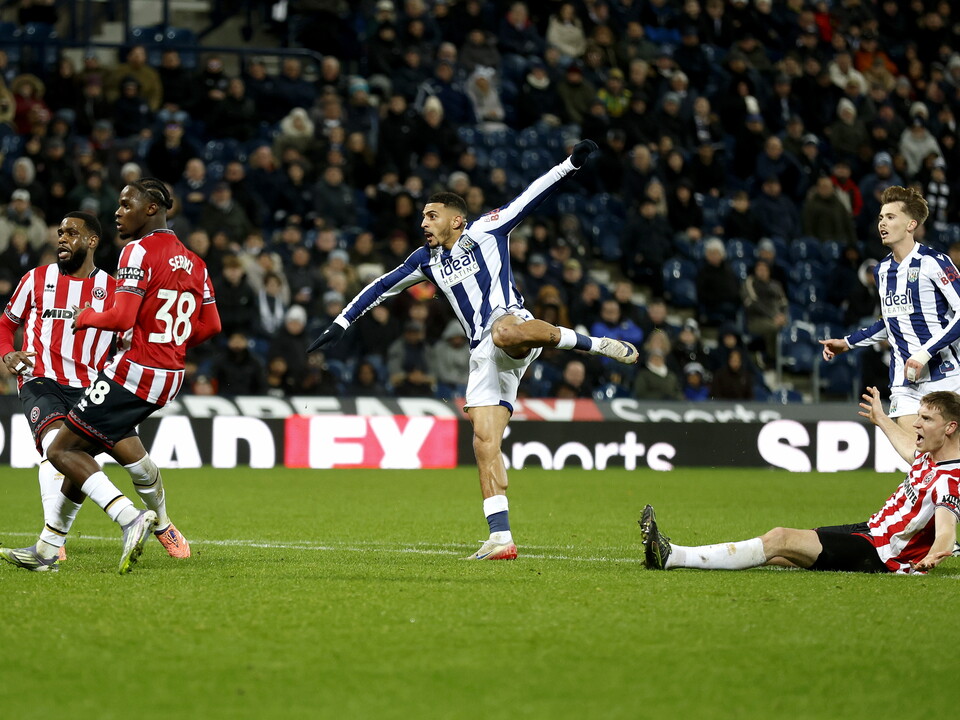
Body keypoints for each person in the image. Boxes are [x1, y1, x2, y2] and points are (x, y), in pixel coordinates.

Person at [307, 140, 638, 560]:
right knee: (484, 442)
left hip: (514, 325)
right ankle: (500, 537)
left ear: (457, 220)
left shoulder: (486, 230)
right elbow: (379, 287)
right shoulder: (423, 260)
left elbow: (531, 196)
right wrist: (341, 323)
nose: (423, 223)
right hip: (482, 354)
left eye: (432, 216)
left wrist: (569, 165)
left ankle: (593, 344)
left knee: (502, 331)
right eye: (422, 216)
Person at [8, 179, 221, 574]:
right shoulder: (196, 262)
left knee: (59, 452)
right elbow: (210, 325)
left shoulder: (136, 251)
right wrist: (167, 341)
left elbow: (121, 317)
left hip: (131, 373)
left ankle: (131, 518)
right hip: (167, 375)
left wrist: (86, 317)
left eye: (126, 205)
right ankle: (49, 546)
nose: (118, 212)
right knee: (86, 451)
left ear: (151, 209)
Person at [640, 388, 960, 575]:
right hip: (869, 531)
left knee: (780, 538)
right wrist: (881, 418)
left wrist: (935, 554)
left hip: (881, 552)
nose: (917, 423)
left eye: (927, 419)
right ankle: (677, 555)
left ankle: (671, 556)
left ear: (949, 428)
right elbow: (906, 447)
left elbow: (946, 530)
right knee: (781, 554)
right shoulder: (929, 453)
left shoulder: (950, 479)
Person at [820, 186, 960, 430]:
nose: (882, 223)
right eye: (881, 218)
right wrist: (847, 342)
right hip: (904, 381)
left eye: (891, 217)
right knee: (914, 455)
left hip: (945, 374)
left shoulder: (934, 262)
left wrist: (925, 353)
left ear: (911, 225)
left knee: (946, 458)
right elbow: (890, 322)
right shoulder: (882, 271)